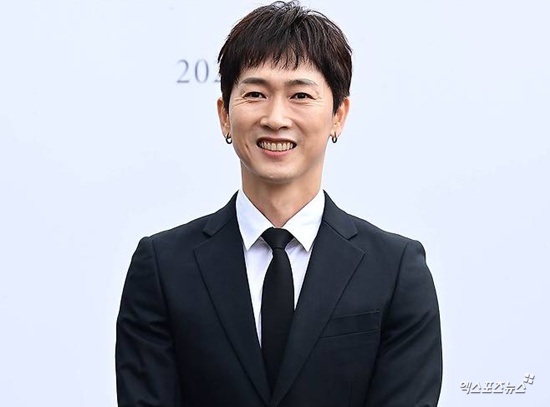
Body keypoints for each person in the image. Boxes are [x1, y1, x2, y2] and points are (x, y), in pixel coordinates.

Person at [115, 1, 443, 406]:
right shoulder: (163, 268)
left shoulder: (396, 271)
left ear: (339, 114)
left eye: (300, 95)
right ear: (224, 115)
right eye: (255, 93)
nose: (275, 117)